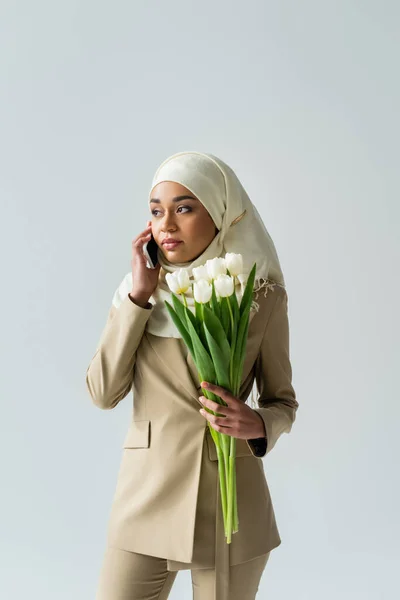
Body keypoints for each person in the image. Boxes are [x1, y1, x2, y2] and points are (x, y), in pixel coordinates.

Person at [86, 151, 299, 600]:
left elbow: (282, 401)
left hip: (230, 508)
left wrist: (258, 424)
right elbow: (103, 392)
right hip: (146, 496)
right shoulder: (137, 295)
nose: (166, 224)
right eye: (156, 211)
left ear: (220, 212)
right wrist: (139, 298)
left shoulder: (262, 297)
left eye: (184, 208)